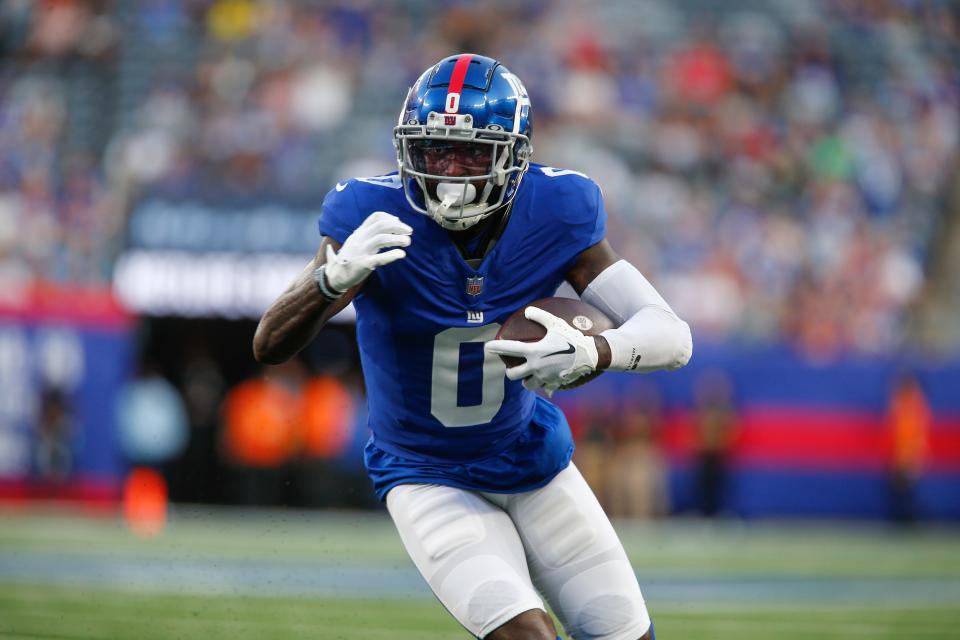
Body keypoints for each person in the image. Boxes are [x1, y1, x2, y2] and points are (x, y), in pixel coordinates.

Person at [254, 53, 692, 640]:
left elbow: (671, 334)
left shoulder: (559, 210)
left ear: (513, 156)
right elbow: (269, 345)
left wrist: (598, 352)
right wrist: (327, 281)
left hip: (532, 462)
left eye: (471, 153)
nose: (450, 173)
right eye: (435, 151)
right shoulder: (370, 213)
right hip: (426, 471)